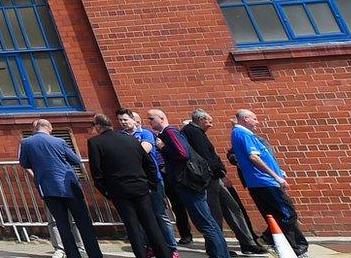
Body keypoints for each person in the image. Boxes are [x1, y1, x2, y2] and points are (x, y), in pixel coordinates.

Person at [171, 111, 260, 255]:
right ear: (200, 120)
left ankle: (246, 243)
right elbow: (207, 157)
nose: (211, 125)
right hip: (210, 179)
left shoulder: (194, 132)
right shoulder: (194, 133)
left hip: (214, 177)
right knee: (216, 214)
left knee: (232, 209)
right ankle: (219, 248)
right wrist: (221, 175)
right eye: (209, 122)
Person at [86, 114, 171, 258]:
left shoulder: (95, 143)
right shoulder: (130, 139)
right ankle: (164, 254)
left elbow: (97, 172)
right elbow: (149, 163)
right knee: (151, 224)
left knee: (132, 227)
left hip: (119, 190)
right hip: (141, 187)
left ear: (99, 126)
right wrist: (150, 184)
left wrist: (106, 192)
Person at [19, 118, 102, 258]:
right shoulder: (59, 141)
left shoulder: (26, 143)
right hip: (69, 186)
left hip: (47, 188)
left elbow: (24, 163)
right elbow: (75, 160)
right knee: (83, 223)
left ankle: (72, 254)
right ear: (49, 128)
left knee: (62, 225)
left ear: (36, 128)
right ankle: (94, 254)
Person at [230, 109, 306, 257]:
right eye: (255, 119)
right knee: (287, 213)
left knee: (278, 214)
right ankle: (272, 239)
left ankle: (283, 244)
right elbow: (254, 157)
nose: (257, 122)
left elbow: (264, 157)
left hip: (263, 181)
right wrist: (275, 177)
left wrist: (279, 172)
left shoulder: (245, 134)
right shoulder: (242, 133)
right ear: (245, 119)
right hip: (264, 181)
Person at [119, 110, 177, 255]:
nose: (123, 122)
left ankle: (171, 247)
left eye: (125, 119)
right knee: (141, 216)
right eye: (120, 120)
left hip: (153, 179)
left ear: (135, 121)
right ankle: (150, 246)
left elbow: (144, 150)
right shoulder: (119, 136)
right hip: (133, 181)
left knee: (160, 214)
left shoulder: (145, 133)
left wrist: (120, 153)